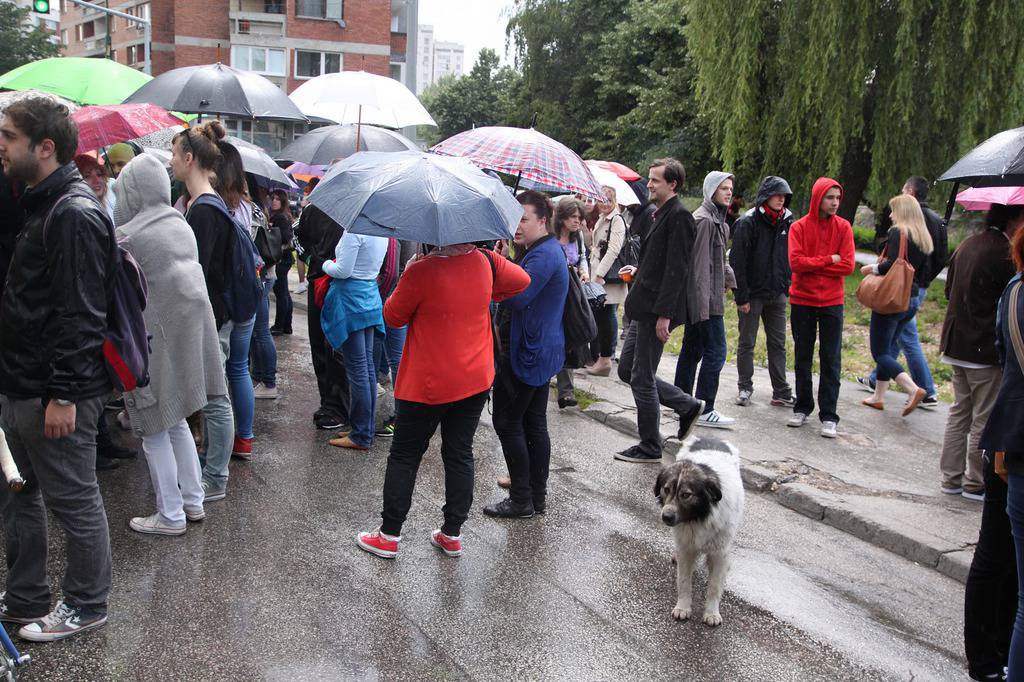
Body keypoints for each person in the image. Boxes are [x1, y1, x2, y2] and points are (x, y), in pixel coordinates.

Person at [0, 96, 114, 641]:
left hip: (55, 390)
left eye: (8, 136)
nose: (0, 145)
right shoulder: (42, 204)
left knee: (74, 500)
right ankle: (26, 597)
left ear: (44, 148)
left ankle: (87, 605)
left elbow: (82, 315)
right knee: (20, 493)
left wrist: (63, 395)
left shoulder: (72, 212)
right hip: (24, 385)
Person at [355, 243, 530, 558]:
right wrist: (490, 293)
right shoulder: (487, 261)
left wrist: (407, 273)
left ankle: (389, 535)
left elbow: (392, 317)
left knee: (406, 455)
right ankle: (452, 533)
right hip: (474, 377)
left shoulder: (422, 270)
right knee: (459, 452)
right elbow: (521, 280)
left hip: (427, 382)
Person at [112, 154, 227, 535]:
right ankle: (192, 502)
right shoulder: (179, 223)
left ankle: (170, 515)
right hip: (186, 343)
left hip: (151, 346)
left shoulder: (128, 236)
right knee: (176, 420)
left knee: (153, 429)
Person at [483, 191, 569, 518]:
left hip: (529, 353)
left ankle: (522, 499)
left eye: (523, 219)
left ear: (542, 221)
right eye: (514, 218)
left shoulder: (544, 255)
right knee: (533, 422)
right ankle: (535, 495)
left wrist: (498, 264)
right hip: (537, 349)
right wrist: (510, 259)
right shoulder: (538, 250)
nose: (516, 226)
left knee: (507, 421)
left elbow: (517, 296)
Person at [614, 158, 705, 464]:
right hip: (644, 306)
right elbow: (661, 260)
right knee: (627, 370)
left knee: (641, 377)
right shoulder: (659, 213)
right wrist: (638, 269)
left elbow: (677, 269)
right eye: (650, 180)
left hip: (656, 311)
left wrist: (665, 314)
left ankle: (650, 446)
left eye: (654, 180)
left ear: (672, 184)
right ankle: (686, 405)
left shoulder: (679, 216)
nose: (648, 185)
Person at [170, 121, 238, 502]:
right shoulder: (208, 203)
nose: (171, 161)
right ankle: (211, 470)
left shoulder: (205, 210)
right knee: (213, 396)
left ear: (189, 158)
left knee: (215, 398)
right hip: (213, 313)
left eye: (174, 153)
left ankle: (215, 477)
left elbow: (197, 273)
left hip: (210, 316)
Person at [938, 204, 1021, 500]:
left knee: (959, 412)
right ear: (1012, 219)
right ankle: (975, 482)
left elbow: (948, 291)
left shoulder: (968, 243)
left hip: (956, 343)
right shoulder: (1004, 253)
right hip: (982, 348)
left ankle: (950, 478)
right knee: (983, 416)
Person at [979, 226, 1024, 681]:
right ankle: (991, 663)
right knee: (999, 559)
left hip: (1008, 435)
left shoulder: (1012, 290)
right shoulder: (1017, 292)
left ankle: (992, 661)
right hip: (1011, 442)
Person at [859, 176, 946, 407]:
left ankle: (914, 388)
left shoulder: (900, 232)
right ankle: (878, 396)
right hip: (911, 296)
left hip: (892, 298)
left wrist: (872, 268)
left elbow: (893, 264)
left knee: (880, 353)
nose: (890, 215)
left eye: (893, 211)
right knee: (890, 346)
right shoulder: (922, 235)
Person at [787, 177, 855, 438]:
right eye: (830, 198)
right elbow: (796, 263)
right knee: (802, 357)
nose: (835, 203)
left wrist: (814, 263)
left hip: (832, 302)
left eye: (838, 198)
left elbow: (848, 266)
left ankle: (829, 414)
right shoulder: (799, 228)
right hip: (802, 300)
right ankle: (802, 407)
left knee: (831, 359)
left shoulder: (844, 228)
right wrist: (829, 260)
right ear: (818, 198)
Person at [674, 171, 737, 429]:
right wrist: (700, 307)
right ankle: (704, 406)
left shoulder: (720, 222)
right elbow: (698, 268)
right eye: (723, 188)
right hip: (705, 302)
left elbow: (720, 262)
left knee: (693, 350)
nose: (729, 192)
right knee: (716, 351)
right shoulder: (704, 221)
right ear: (711, 191)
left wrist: (732, 284)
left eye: (731, 188)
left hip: (710, 299)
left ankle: (681, 401)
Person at [729, 176, 795, 408]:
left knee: (778, 343)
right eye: (777, 194)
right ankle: (745, 387)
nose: (781, 199)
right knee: (747, 341)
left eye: (784, 195)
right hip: (752, 294)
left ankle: (781, 391)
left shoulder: (787, 221)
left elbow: (788, 255)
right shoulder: (748, 222)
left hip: (777, 293)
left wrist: (786, 283)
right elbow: (738, 261)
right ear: (766, 196)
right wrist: (742, 296)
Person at [322, 229, 389, 451]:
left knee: (359, 370)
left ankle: (361, 434)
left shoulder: (355, 231)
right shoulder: (381, 232)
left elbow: (342, 270)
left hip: (351, 301)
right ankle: (363, 427)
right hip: (369, 298)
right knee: (367, 368)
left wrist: (325, 264)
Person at [295, 201, 350, 431]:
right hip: (318, 280)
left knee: (337, 349)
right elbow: (296, 235)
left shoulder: (354, 209)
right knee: (319, 344)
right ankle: (328, 402)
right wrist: (312, 258)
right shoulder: (313, 208)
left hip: (342, 285)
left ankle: (339, 406)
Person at [552, 197, 589, 407]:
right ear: (562, 216)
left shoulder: (578, 237)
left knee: (568, 337)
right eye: (573, 216)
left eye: (580, 217)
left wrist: (584, 271)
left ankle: (566, 391)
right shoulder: (550, 236)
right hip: (554, 294)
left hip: (573, 294)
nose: (577, 221)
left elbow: (582, 257)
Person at [246, 177, 279, 402]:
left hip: (260, 275)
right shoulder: (258, 209)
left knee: (260, 331)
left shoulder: (247, 210)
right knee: (260, 331)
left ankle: (268, 381)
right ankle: (261, 377)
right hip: (266, 274)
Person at [588, 188, 627, 378]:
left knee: (607, 316)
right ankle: (602, 359)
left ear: (615, 200)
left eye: (608, 200)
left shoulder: (616, 220)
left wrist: (599, 275)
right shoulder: (603, 218)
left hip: (607, 278)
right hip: (598, 273)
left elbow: (613, 250)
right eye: (601, 200)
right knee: (602, 316)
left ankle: (605, 360)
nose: (604, 204)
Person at [269, 189, 294, 336]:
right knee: (284, 292)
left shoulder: (279, 217)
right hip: (285, 259)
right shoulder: (284, 215)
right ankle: (286, 325)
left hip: (281, 259)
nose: (274, 201)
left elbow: (285, 237)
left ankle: (279, 325)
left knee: (281, 293)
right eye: (273, 198)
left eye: (278, 199)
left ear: (283, 201)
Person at [74, 153, 114, 221]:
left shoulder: (113, 199)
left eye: (99, 174)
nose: (96, 181)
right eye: (87, 176)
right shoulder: (79, 217)